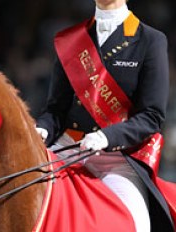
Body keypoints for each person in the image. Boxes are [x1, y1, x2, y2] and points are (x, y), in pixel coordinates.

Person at [36, 0, 176, 231]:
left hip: (118, 158)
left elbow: (152, 116)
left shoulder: (151, 40)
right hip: (66, 147)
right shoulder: (71, 40)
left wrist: (106, 137)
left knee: (138, 223)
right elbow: (55, 109)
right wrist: (41, 128)